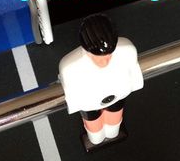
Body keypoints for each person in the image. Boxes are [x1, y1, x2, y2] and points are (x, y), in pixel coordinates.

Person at [58, 14, 144, 148]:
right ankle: (95, 139)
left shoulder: (127, 52)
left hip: (117, 93)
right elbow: (70, 93)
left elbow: (134, 73)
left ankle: (112, 133)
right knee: (95, 130)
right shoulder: (71, 68)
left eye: (108, 56)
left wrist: (134, 83)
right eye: (98, 57)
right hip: (89, 102)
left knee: (114, 124)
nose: (104, 61)